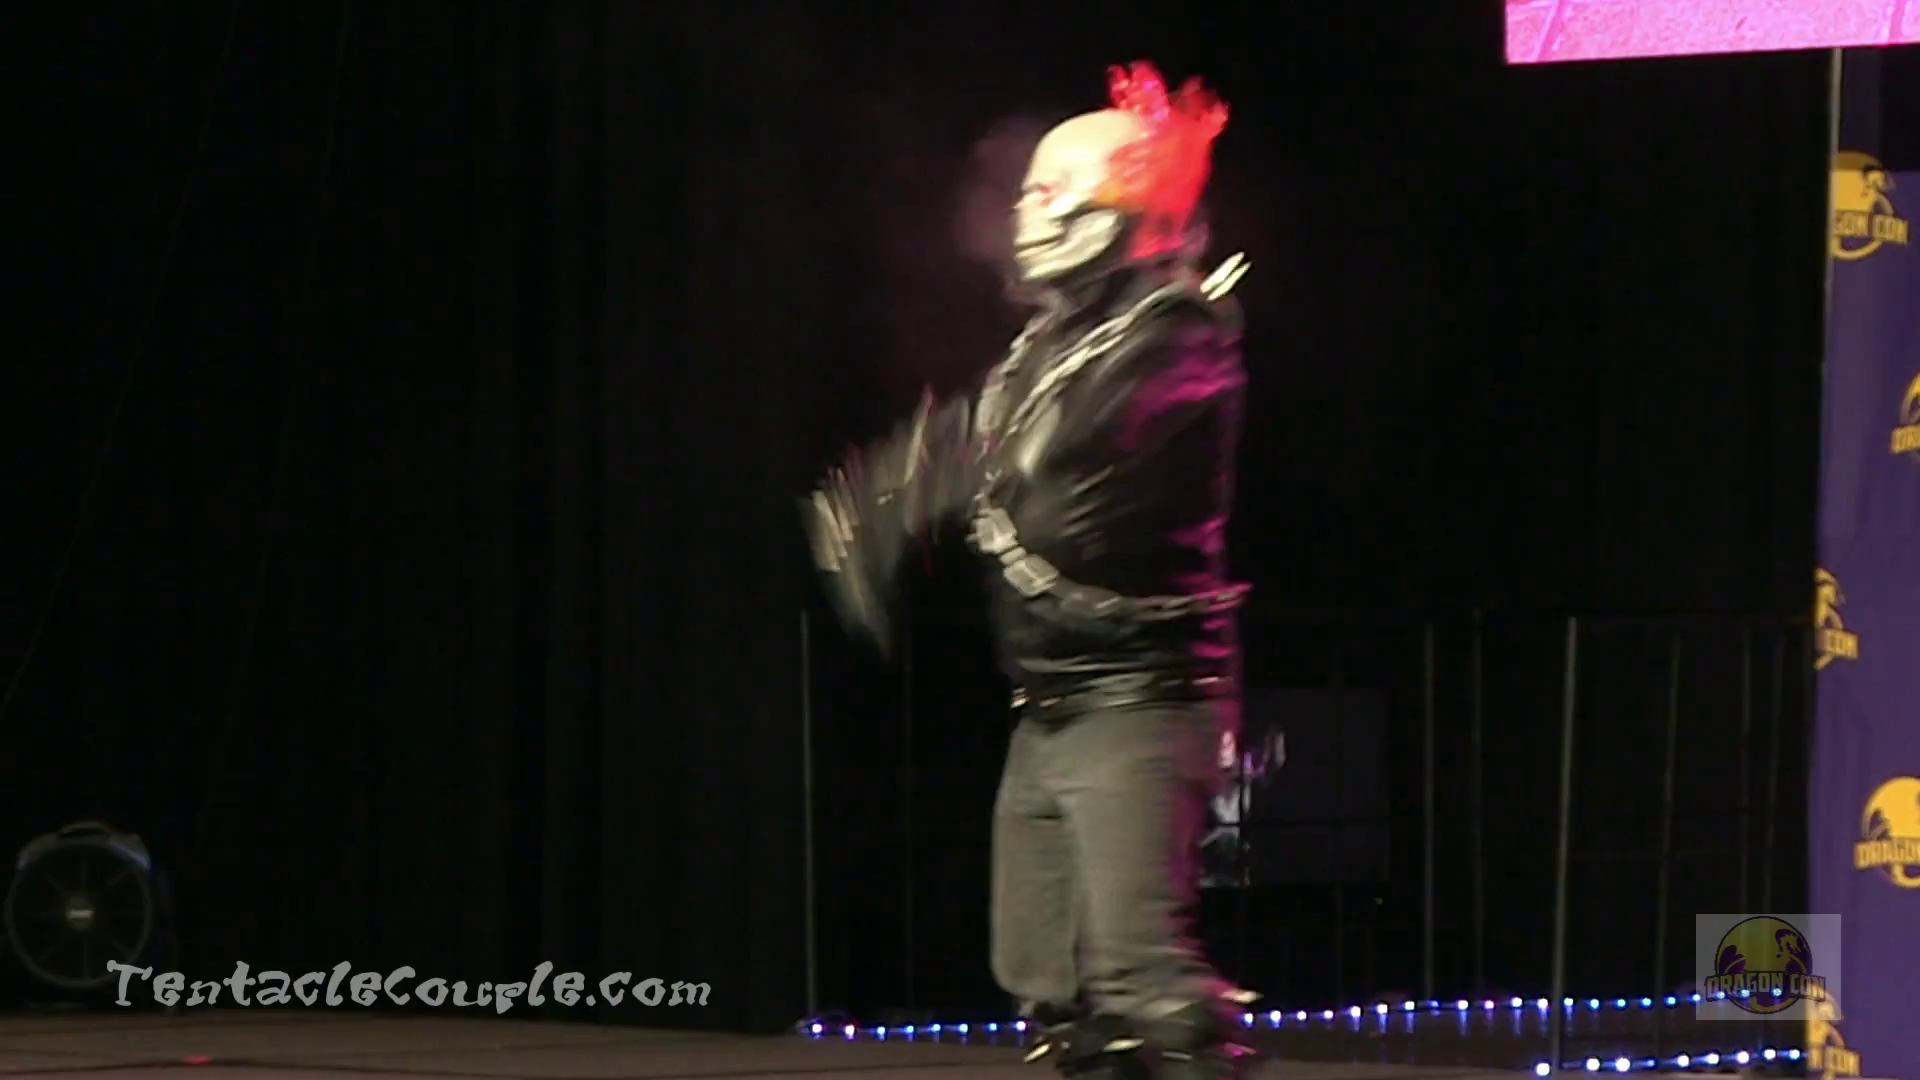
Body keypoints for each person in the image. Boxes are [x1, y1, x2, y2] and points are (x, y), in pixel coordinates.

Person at [802, 60, 1253, 1079]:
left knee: (1147, 987)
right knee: (1052, 985)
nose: (1029, 212)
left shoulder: (1180, 336)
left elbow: (1054, 456)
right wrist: (879, 508)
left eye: (1055, 191)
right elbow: (979, 439)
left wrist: (937, 484)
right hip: (1049, 707)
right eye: (1029, 190)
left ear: (1123, 207)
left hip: (1140, 703)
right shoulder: (1051, 345)